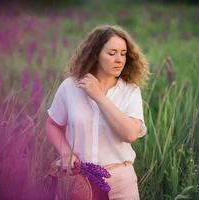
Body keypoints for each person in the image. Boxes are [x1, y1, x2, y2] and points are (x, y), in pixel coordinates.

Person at [45, 24, 149, 200]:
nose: (119, 59)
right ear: (95, 55)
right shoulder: (70, 87)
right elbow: (52, 124)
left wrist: (98, 96)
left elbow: (130, 134)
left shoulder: (130, 91)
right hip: (77, 182)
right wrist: (64, 152)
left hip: (120, 185)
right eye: (112, 53)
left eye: (123, 53)